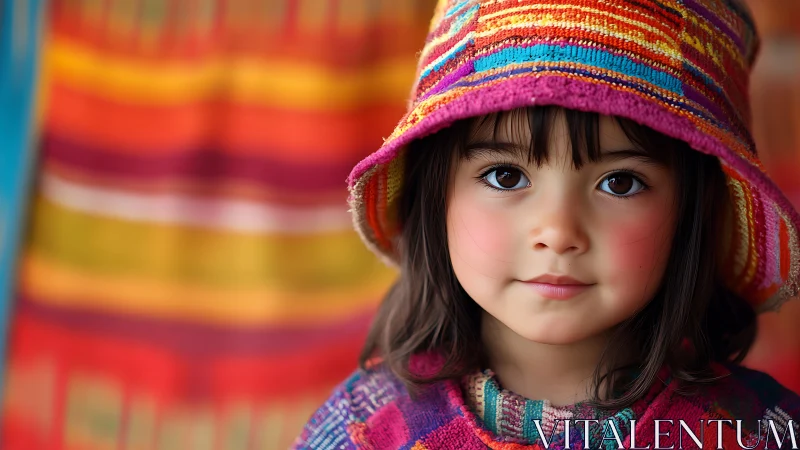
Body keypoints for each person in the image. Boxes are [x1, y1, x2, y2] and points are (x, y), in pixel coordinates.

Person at [293, 0, 800, 448]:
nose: (558, 233)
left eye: (620, 183)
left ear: (694, 213)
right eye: (506, 176)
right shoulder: (366, 432)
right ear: (435, 197)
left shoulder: (752, 433)